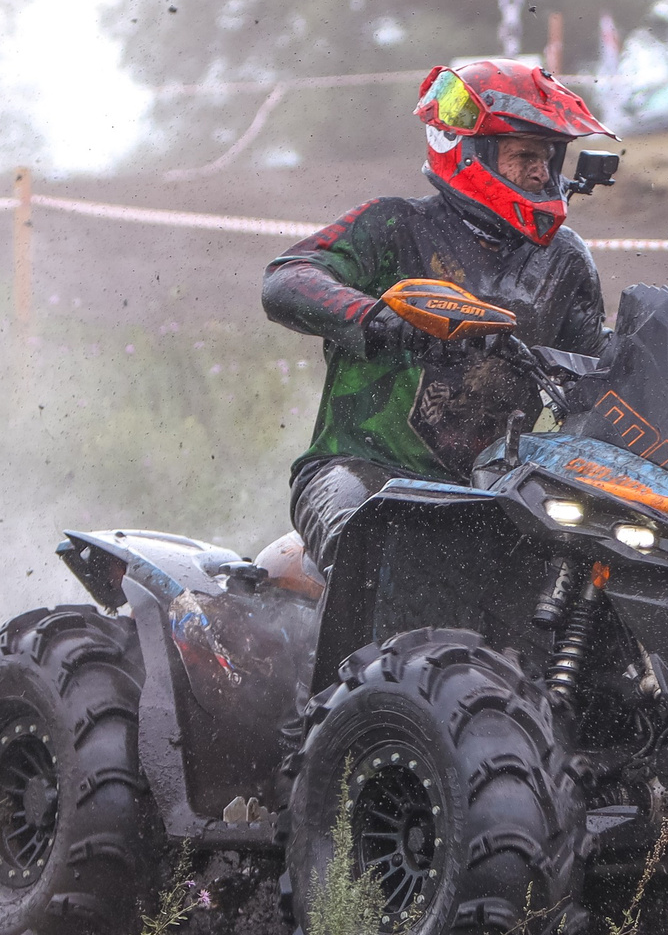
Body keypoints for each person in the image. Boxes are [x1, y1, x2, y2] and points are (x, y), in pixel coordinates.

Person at [264, 58, 616, 572]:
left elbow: (597, 365)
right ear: (470, 152)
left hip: (498, 490)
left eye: (547, 156)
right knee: (375, 551)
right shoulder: (394, 224)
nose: (541, 172)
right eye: (524, 155)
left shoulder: (563, 260)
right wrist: (378, 319)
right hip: (360, 470)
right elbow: (287, 278)